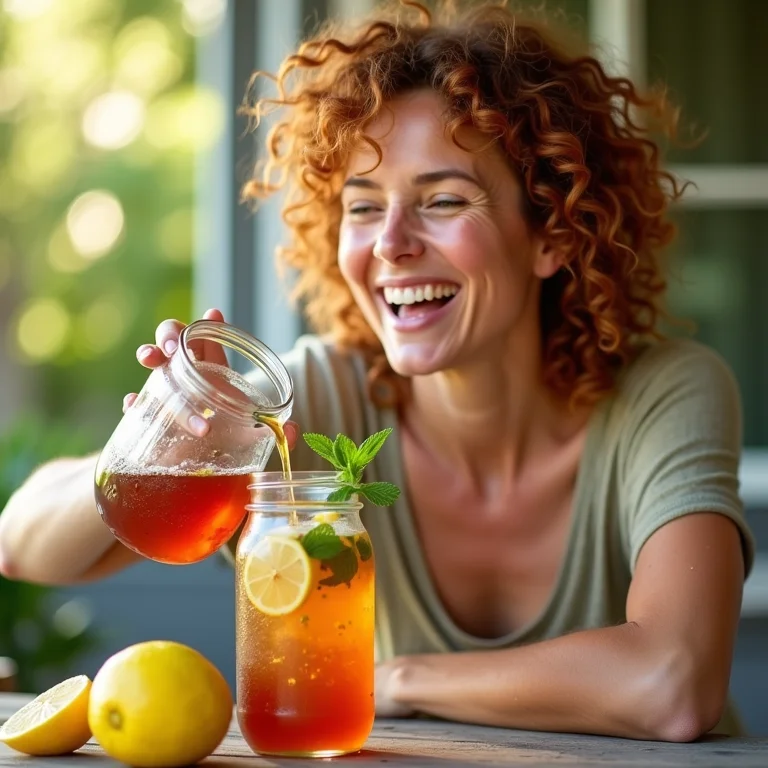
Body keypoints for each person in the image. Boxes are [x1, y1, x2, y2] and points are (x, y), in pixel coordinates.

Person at [0, 0, 755, 742]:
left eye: (444, 199)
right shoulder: (318, 402)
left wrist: (393, 680)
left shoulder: (665, 394)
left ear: (552, 233)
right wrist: (154, 436)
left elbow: (673, 683)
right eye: (363, 208)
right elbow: (22, 544)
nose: (391, 244)